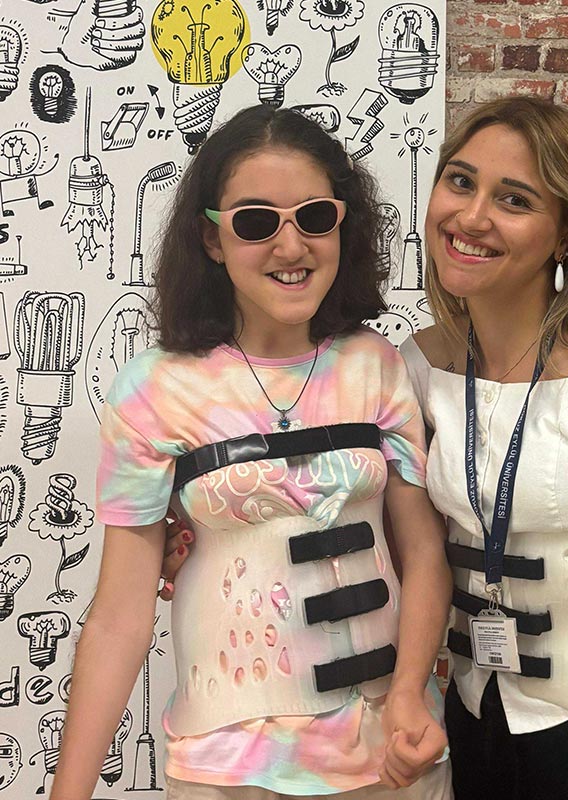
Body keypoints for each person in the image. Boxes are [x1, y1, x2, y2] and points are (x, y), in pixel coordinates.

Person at [162, 97, 568, 800]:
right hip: (476, 728)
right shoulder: (417, 367)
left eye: (515, 199)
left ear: (565, 234)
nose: (472, 217)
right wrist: (197, 525)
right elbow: (371, 518)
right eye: (461, 181)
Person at [50, 105, 452, 800]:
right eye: (256, 221)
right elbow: (120, 613)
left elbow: (423, 556)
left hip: (390, 760)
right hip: (225, 772)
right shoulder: (154, 389)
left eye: (314, 218)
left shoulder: (377, 366)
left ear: (341, 225)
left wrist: (412, 693)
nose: (290, 246)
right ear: (212, 239)